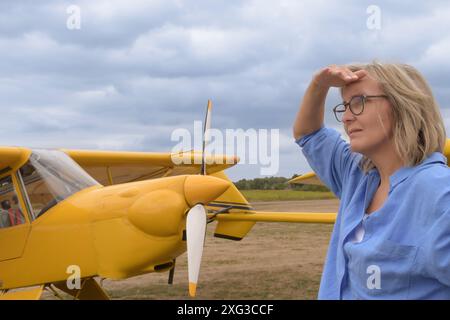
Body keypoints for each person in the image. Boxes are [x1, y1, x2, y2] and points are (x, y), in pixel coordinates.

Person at [293, 61, 450, 299]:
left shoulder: (440, 193)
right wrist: (319, 83)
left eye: (359, 102)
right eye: (345, 106)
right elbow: (308, 134)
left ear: (403, 105)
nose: (345, 118)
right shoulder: (356, 174)